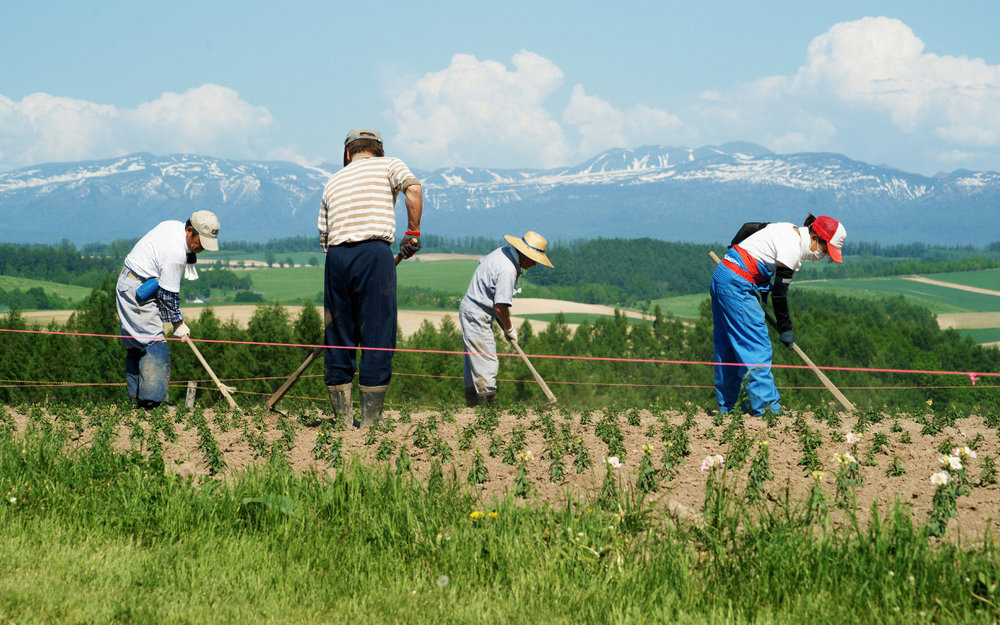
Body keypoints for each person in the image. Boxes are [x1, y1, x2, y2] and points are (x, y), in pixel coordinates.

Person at [318, 129, 422, 427]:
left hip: (336, 258)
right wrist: (412, 232)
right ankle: (370, 421)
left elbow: (324, 235)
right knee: (377, 334)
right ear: (379, 150)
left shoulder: (333, 180)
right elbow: (414, 189)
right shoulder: (389, 165)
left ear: (347, 153)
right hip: (375, 254)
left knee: (338, 336)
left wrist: (346, 260)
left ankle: (341, 419)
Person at [710, 214, 846, 415]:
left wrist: (732, 255)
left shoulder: (785, 228)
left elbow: (747, 227)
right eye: (825, 250)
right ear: (815, 237)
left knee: (727, 347)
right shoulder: (792, 248)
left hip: (723, 275)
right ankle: (767, 410)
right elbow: (779, 295)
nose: (823, 256)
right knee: (756, 346)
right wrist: (786, 329)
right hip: (738, 285)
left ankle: (729, 407)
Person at [115, 211, 221, 408]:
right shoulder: (175, 254)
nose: (202, 248)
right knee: (155, 344)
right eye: (201, 242)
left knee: (138, 343)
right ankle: (154, 404)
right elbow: (169, 295)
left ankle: (137, 401)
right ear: (190, 230)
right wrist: (178, 324)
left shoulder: (174, 226)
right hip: (138, 289)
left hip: (130, 282)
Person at [459, 231, 553, 407]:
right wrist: (509, 329)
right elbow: (500, 307)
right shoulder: (508, 269)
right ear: (524, 254)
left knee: (474, 362)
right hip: (477, 312)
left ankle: (472, 408)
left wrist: (504, 325)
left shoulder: (502, 252)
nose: (534, 264)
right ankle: (488, 409)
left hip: (472, 308)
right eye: (534, 259)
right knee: (486, 361)